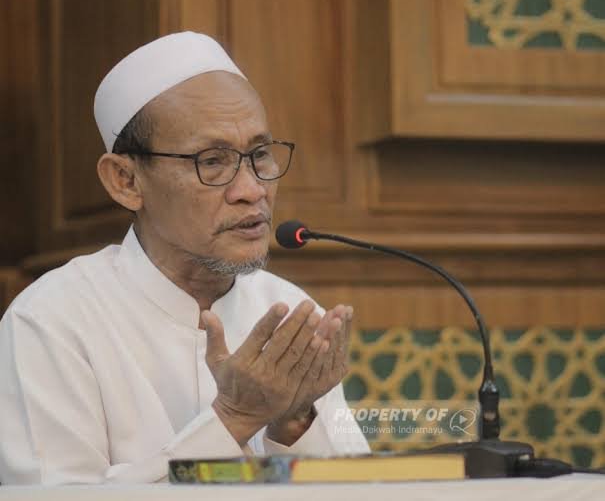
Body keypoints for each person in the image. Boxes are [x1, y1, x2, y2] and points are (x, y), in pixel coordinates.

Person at [0, 32, 369, 485]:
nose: (252, 189)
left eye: (259, 155)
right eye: (212, 162)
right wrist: (233, 419)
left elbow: (366, 490)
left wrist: (294, 424)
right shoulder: (52, 322)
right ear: (125, 181)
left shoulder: (290, 313)